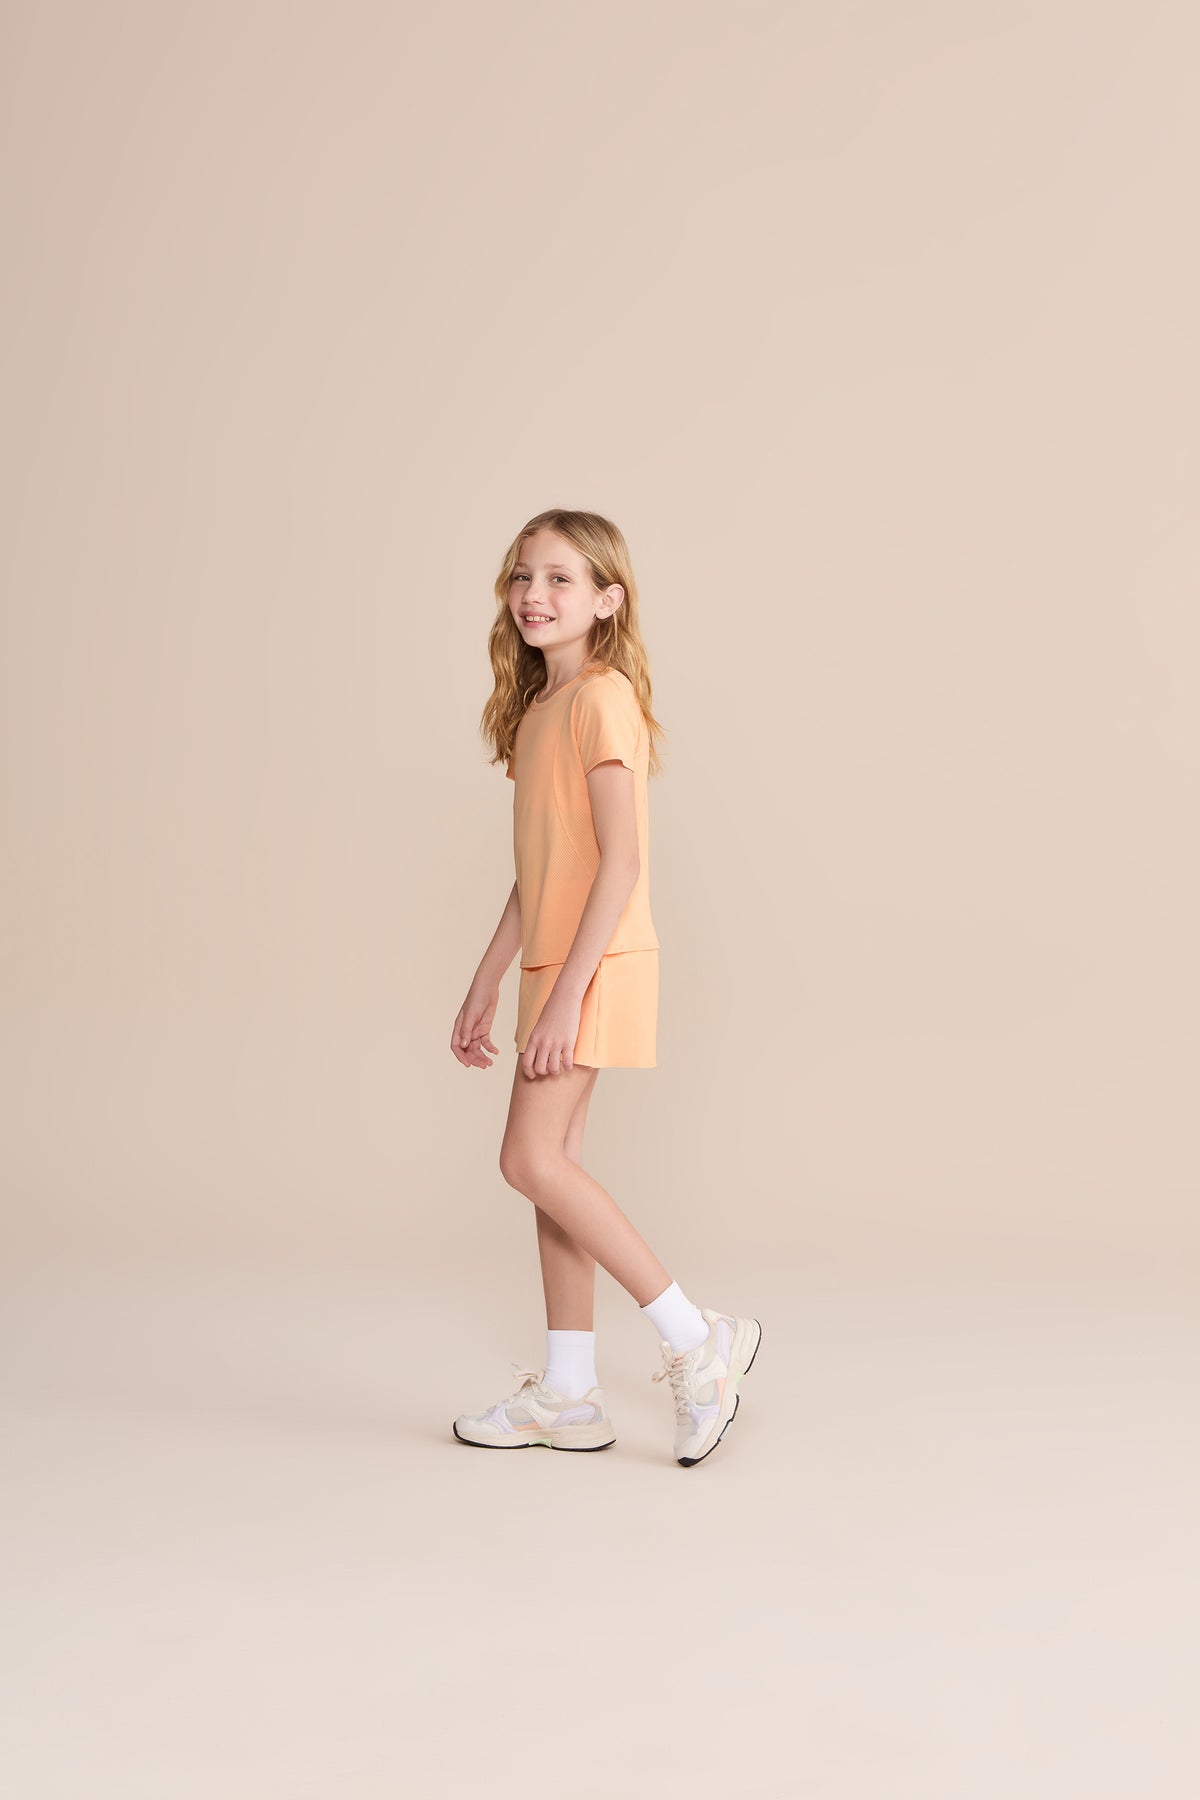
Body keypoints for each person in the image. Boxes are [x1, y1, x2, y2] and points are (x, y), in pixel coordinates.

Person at [450, 509, 762, 1466]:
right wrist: (486, 982)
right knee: (553, 1176)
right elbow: (538, 870)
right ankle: (571, 1394)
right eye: (523, 576)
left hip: (596, 965)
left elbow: (621, 863)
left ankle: (696, 1338)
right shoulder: (537, 711)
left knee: (528, 1161)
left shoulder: (603, 698)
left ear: (607, 600)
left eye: (561, 579)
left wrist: (566, 997)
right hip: (554, 964)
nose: (534, 595)